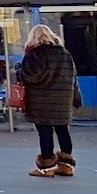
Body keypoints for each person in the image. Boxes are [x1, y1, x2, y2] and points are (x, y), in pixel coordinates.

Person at [17, 24, 82, 178]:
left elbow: (29, 76)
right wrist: (76, 99)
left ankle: (46, 167)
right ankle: (66, 166)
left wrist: (19, 69)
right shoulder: (65, 54)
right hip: (62, 100)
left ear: (33, 38)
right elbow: (73, 78)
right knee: (63, 130)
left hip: (41, 101)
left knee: (45, 132)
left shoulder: (34, 55)